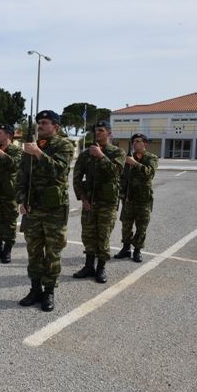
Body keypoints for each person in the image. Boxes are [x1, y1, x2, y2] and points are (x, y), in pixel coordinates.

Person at [17, 110, 74, 312]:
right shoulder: (31, 146)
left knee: (52, 251)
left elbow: (59, 169)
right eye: (39, 122)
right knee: (33, 250)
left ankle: (48, 290)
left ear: (56, 127)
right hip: (33, 207)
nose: (40, 125)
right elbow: (22, 175)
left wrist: (38, 153)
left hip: (54, 209)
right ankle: (34, 289)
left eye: (45, 122)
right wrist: (21, 200)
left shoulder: (64, 145)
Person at [72, 121, 125, 283]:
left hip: (107, 203)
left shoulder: (117, 153)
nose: (98, 133)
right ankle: (88, 266)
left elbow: (115, 173)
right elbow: (77, 177)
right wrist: (83, 198)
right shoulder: (86, 154)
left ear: (109, 133)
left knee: (103, 236)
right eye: (96, 131)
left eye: (101, 130)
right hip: (90, 202)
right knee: (88, 236)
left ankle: (101, 268)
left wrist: (101, 156)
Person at [113, 133, 158, 263]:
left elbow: (149, 174)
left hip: (143, 200)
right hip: (128, 199)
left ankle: (137, 250)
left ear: (145, 144)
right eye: (134, 141)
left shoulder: (151, 157)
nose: (135, 143)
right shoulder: (127, 158)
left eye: (138, 141)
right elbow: (121, 176)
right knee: (126, 226)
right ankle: (126, 248)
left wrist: (135, 164)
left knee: (141, 227)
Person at [0, 124, 23, 262]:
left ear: (8, 135)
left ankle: (7, 249)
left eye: (0, 133)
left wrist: (1, 154)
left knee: (10, 222)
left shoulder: (16, 150)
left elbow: (16, 165)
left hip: (10, 193)